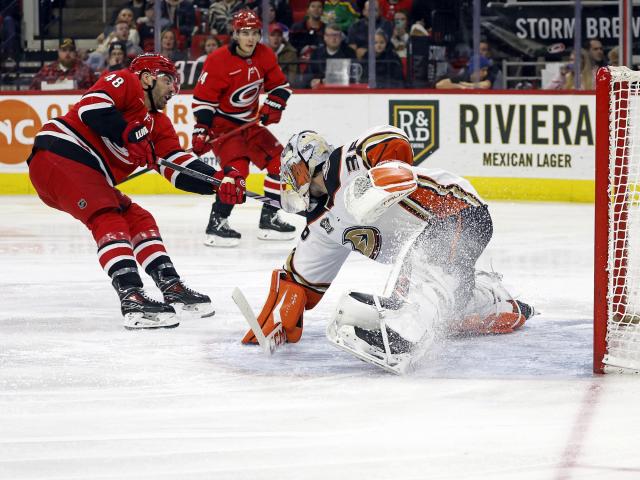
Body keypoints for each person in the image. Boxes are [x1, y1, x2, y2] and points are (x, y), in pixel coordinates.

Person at [240, 125, 534, 373]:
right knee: (433, 308)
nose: (292, 181)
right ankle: (488, 297)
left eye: (295, 171)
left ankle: (405, 337)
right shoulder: (321, 226)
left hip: (455, 211)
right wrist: (283, 316)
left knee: (425, 288)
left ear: (311, 161)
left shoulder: (348, 162)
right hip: (419, 247)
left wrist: (377, 181)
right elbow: (301, 283)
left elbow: (395, 142)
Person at [27, 53, 246, 329]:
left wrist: (218, 181)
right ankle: (131, 295)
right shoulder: (126, 82)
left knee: (139, 219)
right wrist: (128, 132)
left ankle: (171, 284)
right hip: (60, 155)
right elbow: (91, 108)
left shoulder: (160, 125)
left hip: (86, 173)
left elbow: (177, 167)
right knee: (108, 216)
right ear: (147, 77)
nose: (173, 90)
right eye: (169, 81)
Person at [191, 9, 296, 247]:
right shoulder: (218, 59)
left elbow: (281, 86)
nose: (250, 38)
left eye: (254, 33)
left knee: (281, 162)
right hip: (223, 126)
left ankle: (269, 218)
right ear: (235, 34)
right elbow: (203, 100)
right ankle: (217, 224)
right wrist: (202, 128)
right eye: (245, 33)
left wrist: (274, 104)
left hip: (250, 124)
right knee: (236, 173)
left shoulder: (265, 54)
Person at [30, 38, 96, 90]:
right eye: (64, 50)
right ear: (58, 52)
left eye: (71, 50)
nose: (67, 53)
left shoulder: (85, 71)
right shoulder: (47, 70)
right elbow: (33, 90)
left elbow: (96, 92)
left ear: (75, 52)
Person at [307, 23, 356, 88]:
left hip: (342, 92)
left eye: (336, 35)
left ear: (341, 37)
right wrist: (312, 81)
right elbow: (307, 75)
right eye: (330, 35)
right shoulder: (316, 54)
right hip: (319, 92)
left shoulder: (349, 53)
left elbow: (354, 78)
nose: (334, 38)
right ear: (325, 37)